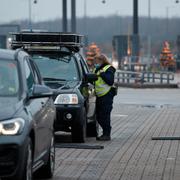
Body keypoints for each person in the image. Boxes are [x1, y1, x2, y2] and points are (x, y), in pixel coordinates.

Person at [94, 54, 116, 141]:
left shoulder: (109, 68)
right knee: (99, 116)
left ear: (102, 61)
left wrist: (103, 74)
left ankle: (106, 134)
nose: (95, 63)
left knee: (105, 116)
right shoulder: (97, 69)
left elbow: (110, 81)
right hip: (99, 96)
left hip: (107, 95)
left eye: (97, 62)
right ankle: (105, 133)